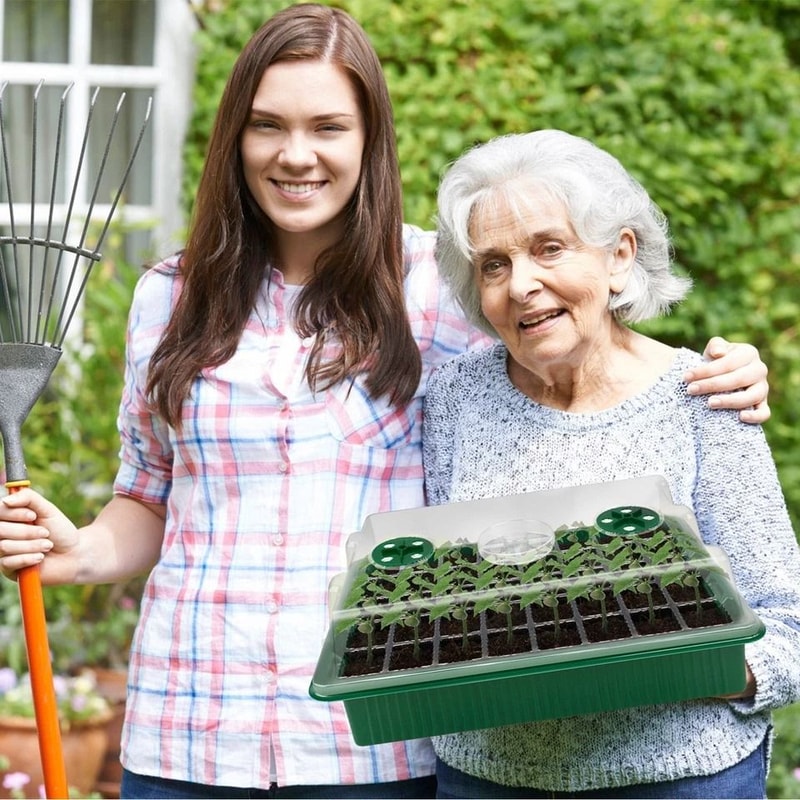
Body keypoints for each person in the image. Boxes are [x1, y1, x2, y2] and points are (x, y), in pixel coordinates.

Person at [0, 6, 772, 799]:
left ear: (369, 141)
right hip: (188, 732)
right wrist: (83, 550)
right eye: (267, 126)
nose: (295, 155)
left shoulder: (443, 288)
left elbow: (576, 376)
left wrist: (712, 375)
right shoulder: (168, 296)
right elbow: (151, 495)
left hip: (368, 743)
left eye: (327, 126)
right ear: (235, 139)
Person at [422, 128, 800, 799]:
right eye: (494, 265)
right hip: (487, 780)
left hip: (680, 781)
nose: (523, 285)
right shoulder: (455, 397)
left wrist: (689, 665)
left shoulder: (704, 398)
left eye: (549, 248)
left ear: (619, 257)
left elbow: (790, 627)